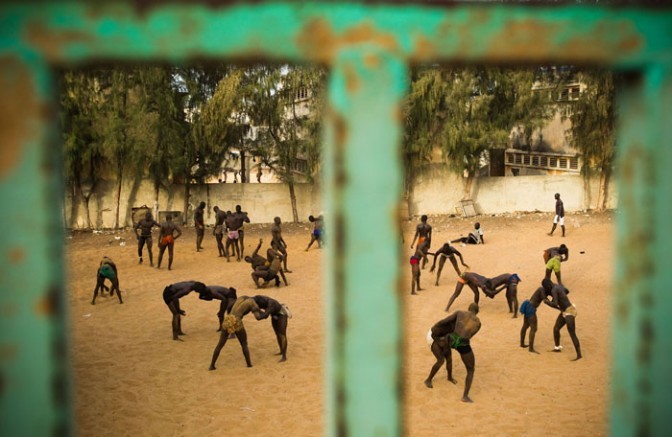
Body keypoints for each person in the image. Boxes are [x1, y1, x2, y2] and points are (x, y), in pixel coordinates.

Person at [424, 303, 481, 403]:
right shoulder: (478, 323)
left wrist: (438, 332)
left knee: (447, 358)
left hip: (451, 339)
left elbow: (443, 321)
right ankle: (465, 396)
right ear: (477, 312)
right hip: (462, 343)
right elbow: (470, 335)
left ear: (468, 308)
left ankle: (447, 377)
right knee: (470, 369)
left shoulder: (460, 312)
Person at [209, 296, 266, 369]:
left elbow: (230, 306)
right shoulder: (252, 303)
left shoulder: (241, 298)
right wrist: (266, 313)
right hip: (236, 321)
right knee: (244, 344)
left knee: (220, 345)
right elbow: (258, 317)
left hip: (228, 319)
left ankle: (212, 365)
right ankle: (249, 364)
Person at [543, 283, 582, 360]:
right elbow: (567, 291)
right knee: (556, 328)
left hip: (569, 312)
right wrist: (561, 296)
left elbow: (555, 304)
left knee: (572, 334)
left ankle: (579, 355)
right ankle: (557, 348)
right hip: (565, 311)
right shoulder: (558, 286)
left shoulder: (554, 290)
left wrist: (547, 302)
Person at [253, 295, 292, 362]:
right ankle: (281, 351)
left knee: (282, 334)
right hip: (274, 315)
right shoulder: (262, 300)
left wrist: (255, 312)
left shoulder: (271, 304)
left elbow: (265, 315)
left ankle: (284, 356)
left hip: (282, 314)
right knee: (277, 333)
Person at [520, 279, 553, 354]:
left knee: (525, 326)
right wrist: (555, 305)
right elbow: (545, 300)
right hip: (531, 308)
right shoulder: (541, 289)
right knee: (533, 328)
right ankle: (531, 348)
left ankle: (522, 344)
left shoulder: (542, 289)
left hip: (527, 306)